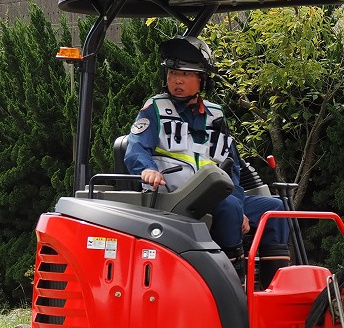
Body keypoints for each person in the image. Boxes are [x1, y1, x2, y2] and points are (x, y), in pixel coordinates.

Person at [124, 36, 290, 282]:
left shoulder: (216, 115)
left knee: (275, 209)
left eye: (185, 74)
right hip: (175, 198)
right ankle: (233, 284)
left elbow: (231, 168)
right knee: (231, 208)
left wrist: (240, 205)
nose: (177, 80)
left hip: (217, 198)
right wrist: (147, 170)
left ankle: (273, 290)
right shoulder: (155, 108)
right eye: (172, 72)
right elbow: (135, 147)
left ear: (202, 79)